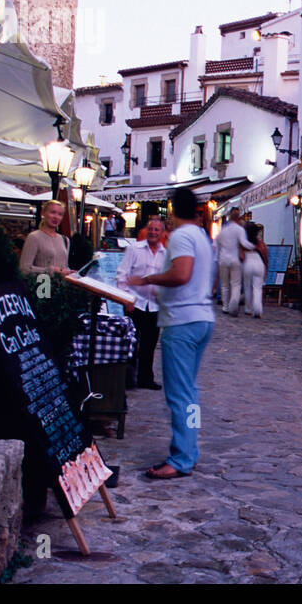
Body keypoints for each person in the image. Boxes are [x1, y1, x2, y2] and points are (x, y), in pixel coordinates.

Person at [127, 188, 216, 480]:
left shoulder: (181, 236)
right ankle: (189, 451)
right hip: (201, 318)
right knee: (189, 392)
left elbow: (181, 274)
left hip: (181, 322)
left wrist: (148, 278)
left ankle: (180, 459)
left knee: (179, 394)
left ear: (172, 209)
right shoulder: (203, 237)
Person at [115, 215, 166, 390]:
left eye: (157, 230)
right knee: (130, 342)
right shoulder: (134, 249)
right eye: (151, 229)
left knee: (149, 344)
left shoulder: (165, 254)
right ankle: (127, 378)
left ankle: (145, 378)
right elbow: (122, 275)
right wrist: (126, 298)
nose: (153, 232)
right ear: (146, 231)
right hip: (134, 303)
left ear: (162, 233)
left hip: (154, 305)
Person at [214, 207, 253, 316]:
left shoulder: (223, 230)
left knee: (225, 284)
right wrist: (253, 246)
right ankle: (233, 304)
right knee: (235, 284)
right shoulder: (239, 230)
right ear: (238, 217)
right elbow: (244, 243)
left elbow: (216, 244)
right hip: (235, 259)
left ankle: (225, 307)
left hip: (223, 259)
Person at [19, 200, 71, 276]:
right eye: (53, 212)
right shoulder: (34, 237)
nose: (56, 217)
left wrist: (71, 272)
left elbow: (64, 266)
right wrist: (51, 270)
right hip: (41, 285)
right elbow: (24, 268)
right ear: (43, 213)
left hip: (61, 286)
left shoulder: (65, 240)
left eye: (60, 214)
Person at [241, 222, 268, 318]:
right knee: (258, 288)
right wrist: (266, 268)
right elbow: (265, 256)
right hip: (259, 264)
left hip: (247, 264)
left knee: (247, 287)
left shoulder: (243, 243)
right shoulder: (261, 244)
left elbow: (240, 255)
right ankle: (257, 309)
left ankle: (248, 308)